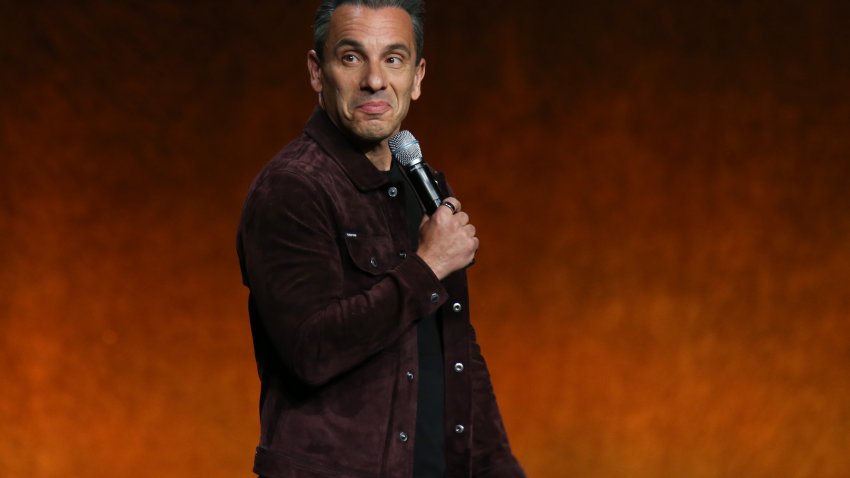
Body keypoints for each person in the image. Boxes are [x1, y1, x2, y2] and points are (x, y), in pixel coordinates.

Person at [236, 1, 525, 476]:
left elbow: (457, 352)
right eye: (352, 57)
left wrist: (499, 467)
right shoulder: (291, 189)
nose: (375, 80)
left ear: (417, 76)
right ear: (316, 71)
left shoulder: (424, 187)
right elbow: (310, 350)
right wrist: (426, 268)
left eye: (394, 59)